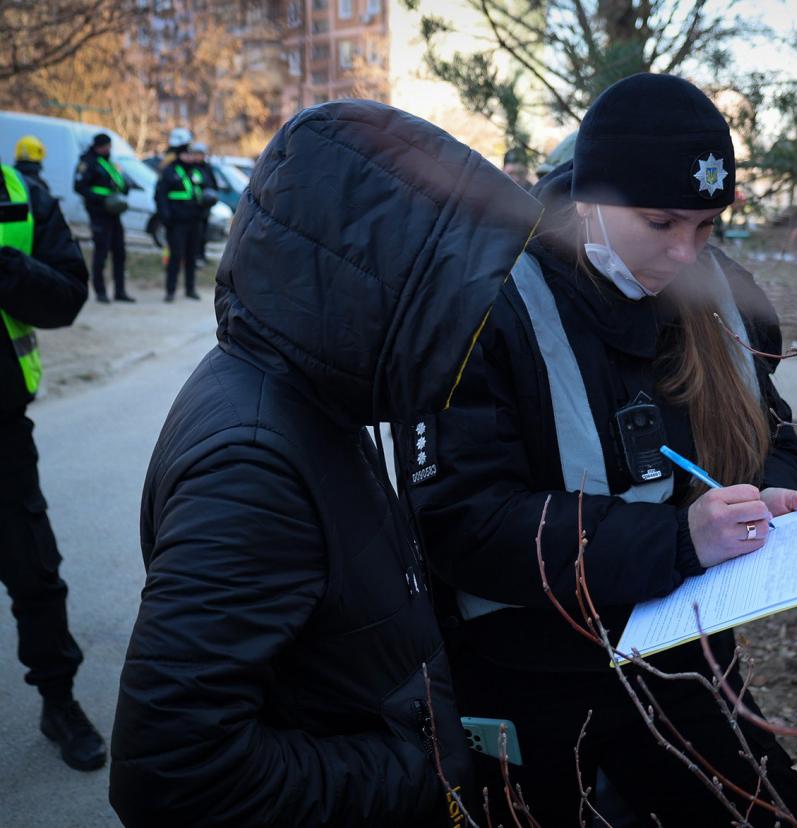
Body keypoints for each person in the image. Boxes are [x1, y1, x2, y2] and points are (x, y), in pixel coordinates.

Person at [406, 73, 797, 825]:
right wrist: (675, 537)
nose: (683, 252)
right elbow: (464, 521)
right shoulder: (490, 301)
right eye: (661, 222)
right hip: (529, 667)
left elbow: (775, 434)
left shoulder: (718, 288)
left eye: (706, 226)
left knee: (767, 810)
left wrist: (768, 489)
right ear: (591, 198)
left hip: (684, 651)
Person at [108, 99, 543, 826]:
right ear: (374, 280)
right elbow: (173, 773)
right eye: (453, 292)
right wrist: (415, 771)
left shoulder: (318, 392)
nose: (474, 322)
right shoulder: (253, 464)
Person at [1, 150, 107, 771]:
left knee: (35, 574)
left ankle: (58, 701)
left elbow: (67, 295)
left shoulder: (19, 191)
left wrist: (4, 265)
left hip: (1, 431)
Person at [74, 132, 133, 303]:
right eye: (106, 145)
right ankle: (100, 291)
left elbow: (120, 184)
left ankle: (119, 291)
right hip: (99, 214)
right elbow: (79, 186)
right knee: (101, 252)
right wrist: (101, 200)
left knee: (119, 253)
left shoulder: (110, 163)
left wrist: (124, 188)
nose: (109, 148)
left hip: (114, 215)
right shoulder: (88, 163)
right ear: (99, 146)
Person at [153, 127, 203, 301]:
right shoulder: (170, 171)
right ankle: (170, 290)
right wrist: (166, 217)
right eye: (187, 155)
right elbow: (160, 195)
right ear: (180, 155)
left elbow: (204, 192)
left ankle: (190, 289)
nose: (190, 158)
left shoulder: (196, 171)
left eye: (192, 155)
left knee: (191, 256)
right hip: (177, 222)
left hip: (194, 221)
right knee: (175, 257)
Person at [188, 141, 218, 265]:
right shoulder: (190, 168)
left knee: (203, 233)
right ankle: (192, 255)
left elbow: (213, 185)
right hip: (193, 207)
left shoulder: (208, 168)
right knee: (193, 233)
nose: (198, 157)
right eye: (196, 154)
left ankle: (201, 254)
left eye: (200, 154)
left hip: (204, 208)